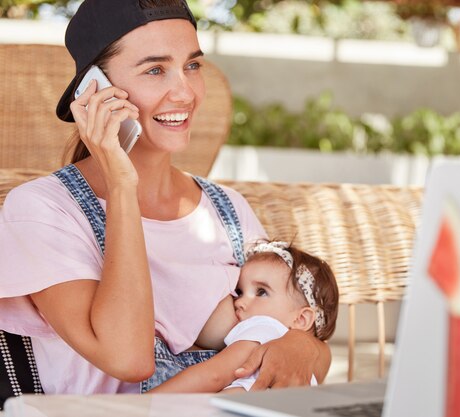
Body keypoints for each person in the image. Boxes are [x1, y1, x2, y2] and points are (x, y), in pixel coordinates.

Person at [0, 0, 330, 395]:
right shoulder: (42, 211)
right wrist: (122, 184)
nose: (185, 91)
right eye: (155, 70)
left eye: (192, 65)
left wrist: (304, 345)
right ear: (94, 89)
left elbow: (298, 332)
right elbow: (130, 359)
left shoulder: (226, 210)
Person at [147, 241, 340, 393]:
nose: (239, 302)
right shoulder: (301, 369)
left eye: (262, 292)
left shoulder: (265, 329)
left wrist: (140, 406)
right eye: (239, 291)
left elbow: (214, 376)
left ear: (301, 319)